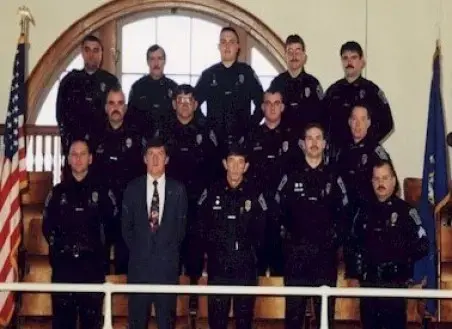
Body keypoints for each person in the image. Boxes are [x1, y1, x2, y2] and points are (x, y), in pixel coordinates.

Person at [275, 123, 350, 329]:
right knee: (294, 317)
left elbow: (344, 215)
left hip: (324, 258)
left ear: (325, 143)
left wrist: (334, 242)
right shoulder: (290, 177)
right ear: (302, 144)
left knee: (325, 317)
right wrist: (287, 243)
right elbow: (277, 213)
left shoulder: (334, 177)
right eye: (310, 138)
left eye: (318, 138)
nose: (314, 143)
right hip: (296, 257)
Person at [155, 83, 219, 317]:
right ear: (174, 104)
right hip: (169, 204)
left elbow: (215, 169)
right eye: (180, 99)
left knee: (194, 252)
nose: (184, 103)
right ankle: (169, 301)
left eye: (188, 99)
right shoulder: (163, 132)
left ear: (195, 104)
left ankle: (192, 296)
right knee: (170, 252)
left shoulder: (206, 130)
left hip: (197, 205)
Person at [42, 139, 117, 329]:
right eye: (74, 154)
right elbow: (47, 227)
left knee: (91, 324)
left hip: (92, 268)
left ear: (90, 159)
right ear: (68, 159)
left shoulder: (102, 192)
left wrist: (99, 249)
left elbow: (112, 226)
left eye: (83, 154)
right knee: (62, 323)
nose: (78, 159)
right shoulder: (57, 193)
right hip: (64, 267)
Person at [348, 160, 429, 329]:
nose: (380, 183)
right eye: (376, 179)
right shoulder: (363, 212)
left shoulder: (406, 212)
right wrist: (354, 275)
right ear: (371, 182)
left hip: (394, 284)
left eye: (385, 178)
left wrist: (404, 261)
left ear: (393, 181)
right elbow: (352, 244)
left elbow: (423, 245)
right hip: (369, 283)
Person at [197, 145, 268, 329]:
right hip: (218, 266)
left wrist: (253, 254)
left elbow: (264, 229)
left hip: (245, 268)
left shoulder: (255, 194)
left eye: (240, 162)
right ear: (224, 164)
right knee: (217, 321)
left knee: (244, 322)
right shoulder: (212, 193)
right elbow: (201, 225)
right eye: (231, 161)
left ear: (246, 166)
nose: (236, 167)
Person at [121, 137, 188, 329]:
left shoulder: (178, 190)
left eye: (160, 154)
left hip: (166, 272)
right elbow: (127, 229)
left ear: (167, 159)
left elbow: (180, 231)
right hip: (139, 271)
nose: (155, 159)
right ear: (144, 159)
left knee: (166, 324)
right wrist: (142, 252)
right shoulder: (133, 188)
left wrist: (162, 254)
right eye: (151, 154)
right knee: (137, 324)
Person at [91, 86, 146, 274]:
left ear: (126, 107)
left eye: (120, 103)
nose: (116, 107)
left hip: (128, 207)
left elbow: (143, 174)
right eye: (112, 103)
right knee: (99, 261)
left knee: (125, 262)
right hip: (101, 207)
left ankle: (123, 303)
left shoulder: (137, 138)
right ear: (106, 107)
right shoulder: (95, 136)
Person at [323, 41, 394, 162]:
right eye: (345, 58)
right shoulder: (333, 91)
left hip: (363, 158)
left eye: (353, 57)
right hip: (337, 158)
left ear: (362, 62)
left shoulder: (372, 91)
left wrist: (366, 143)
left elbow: (387, 124)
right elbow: (322, 123)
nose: (349, 62)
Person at [195, 26, 263, 150]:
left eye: (231, 42)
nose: (227, 46)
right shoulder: (209, 75)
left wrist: (250, 128)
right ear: (219, 47)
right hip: (214, 144)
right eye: (223, 42)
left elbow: (262, 104)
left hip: (241, 144)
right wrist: (206, 127)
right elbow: (193, 105)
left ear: (238, 47)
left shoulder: (247, 73)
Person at [246, 88, 291, 276]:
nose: (272, 108)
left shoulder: (293, 137)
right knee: (254, 270)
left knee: (281, 272)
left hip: (284, 214)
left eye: (276, 103)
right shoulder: (252, 136)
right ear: (262, 107)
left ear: (283, 107)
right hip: (257, 213)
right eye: (268, 103)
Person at [56, 35, 120, 156]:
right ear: (82, 52)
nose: (91, 55)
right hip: (76, 149)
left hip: (103, 149)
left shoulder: (111, 82)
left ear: (102, 53)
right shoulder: (69, 81)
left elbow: (117, 115)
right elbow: (61, 116)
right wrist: (69, 144)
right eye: (87, 50)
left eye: (96, 50)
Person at [269, 34, 324, 135]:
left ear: (304, 57)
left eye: (298, 52)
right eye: (290, 52)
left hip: (306, 143)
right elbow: (269, 114)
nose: (294, 56)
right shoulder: (277, 83)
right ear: (285, 56)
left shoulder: (313, 84)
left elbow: (322, 117)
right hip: (281, 141)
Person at [127, 44, 178, 138]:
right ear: (147, 62)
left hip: (168, 140)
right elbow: (129, 117)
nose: (156, 63)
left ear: (164, 61)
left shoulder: (174, 87)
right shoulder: (137, 87)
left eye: (159, 58)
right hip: (142, 141)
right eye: (152, 59)